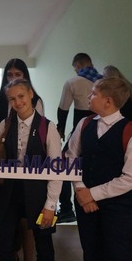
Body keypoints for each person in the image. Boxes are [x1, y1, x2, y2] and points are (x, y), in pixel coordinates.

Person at [65, 77, 132, 261]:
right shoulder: (84, 124)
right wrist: (81, 189)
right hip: (85, 203)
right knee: (90, 252)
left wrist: (92, 194)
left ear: (108, 101)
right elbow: (71, 158)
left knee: (117, 254)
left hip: (118, 208)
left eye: (94, 93)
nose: (89, 96)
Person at [0, 79, 62, 261]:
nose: (18, 102)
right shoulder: (5, 124)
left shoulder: (48, 127)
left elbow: (56, 169)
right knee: (2, 242)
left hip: (39, 194)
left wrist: (50, 205)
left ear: (31, 94)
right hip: (10, 192)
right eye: (12, 98)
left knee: (44, 245)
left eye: (21, 96)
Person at [56, 53, 101, 224]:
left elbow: (63, 109)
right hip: (103, 129)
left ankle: (66, 208)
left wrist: (60, 129)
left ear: (78, 65)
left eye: (75, 68)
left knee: (63, 165)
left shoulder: (73, 82)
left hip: (81, 130)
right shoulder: (103, 81)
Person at [0, 58, 44, 134]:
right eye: (9, 75)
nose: (13, 79)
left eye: (18, 74)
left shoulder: (35, 100)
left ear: (24, 76)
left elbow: (40, 127)